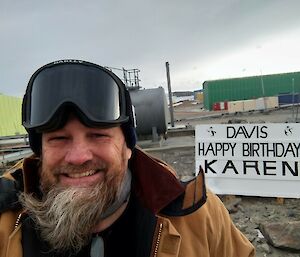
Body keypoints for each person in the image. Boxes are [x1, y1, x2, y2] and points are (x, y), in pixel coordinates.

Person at [0, 60, 255, 257]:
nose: (78, 157)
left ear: (128, 147)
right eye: (58, 138)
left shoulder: (198, 216)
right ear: (40, 151)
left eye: (98, 135)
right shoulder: (6, 222)